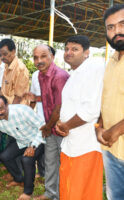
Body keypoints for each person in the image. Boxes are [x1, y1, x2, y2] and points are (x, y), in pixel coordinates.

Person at [55, 35, 104, 200]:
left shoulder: (94, 69)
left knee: (83, 191)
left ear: (87, 52)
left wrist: (66, 126)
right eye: (67, 49)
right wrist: (61, 126)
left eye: (75, 49)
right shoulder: (74, 73)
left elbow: (91, 110)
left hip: (86, 145)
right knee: (69, 189)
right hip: (71, 144)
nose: (69, 53)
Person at [28, 44, 69, 200]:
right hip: (49, 127)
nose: (39, 60)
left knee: (63, 164)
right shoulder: (40, 75)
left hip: (62, 128)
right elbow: (46, 101)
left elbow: (59, 107)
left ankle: (63, 194)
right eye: (36, 57)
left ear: (52, 56)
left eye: (43, 56)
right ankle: (51, 193)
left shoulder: (60, 76)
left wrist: (48, 126)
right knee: (50, 162)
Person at [96, 4, 124, 199]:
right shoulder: (110, 63)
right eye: (111, 27)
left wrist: (115, 130)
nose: (117, 32)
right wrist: (99, 126)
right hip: (112, 150)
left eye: (122, 24)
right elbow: (104, 100)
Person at [0, 39, 29, 105]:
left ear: (13, 52)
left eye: (5, 54)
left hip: (16, 110)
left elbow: (18, 98)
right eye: (0, 55)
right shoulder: (6, 65)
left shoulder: (20, 69)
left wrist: (10, 113)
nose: (2, 57)